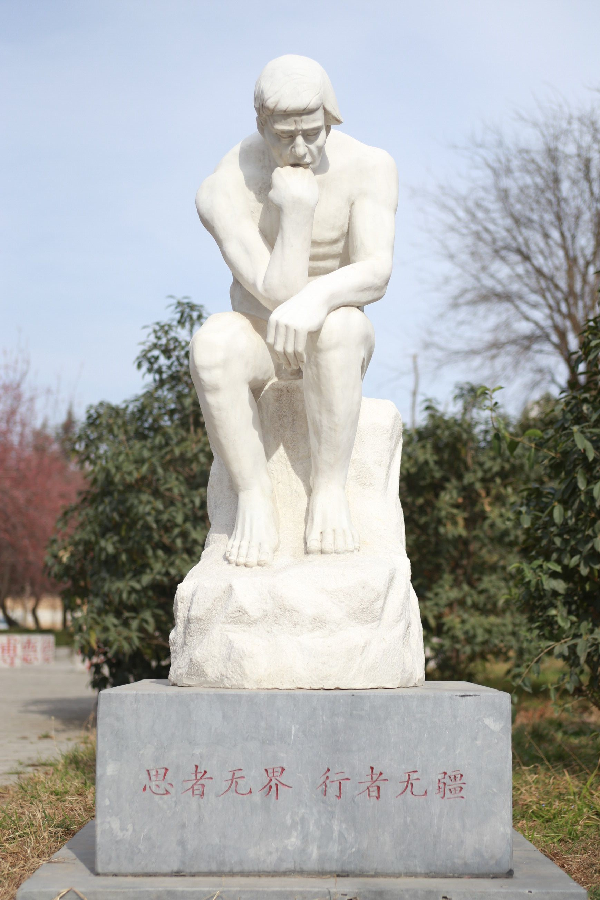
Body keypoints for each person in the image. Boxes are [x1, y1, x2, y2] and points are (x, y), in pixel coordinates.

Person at [191, 55, 398, 568]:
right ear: (262, 125)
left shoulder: (370, 166)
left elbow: (376, 271)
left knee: (341, 326)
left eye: (312, 132)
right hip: (261, 335)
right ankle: (254, 496)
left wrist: (316, 300)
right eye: (285, 136)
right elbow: (275, 292)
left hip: (332, 335)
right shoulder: (226, 185)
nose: (300, 149)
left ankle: (328, 490)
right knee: (211, 345)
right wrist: (298, 211)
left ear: (331, 118)